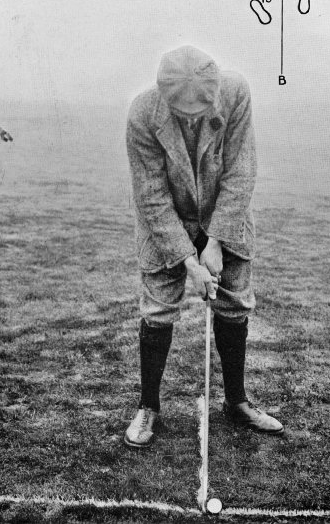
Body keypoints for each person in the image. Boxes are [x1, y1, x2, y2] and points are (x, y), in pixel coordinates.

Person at [124, 45, 283, 448]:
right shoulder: (142, 114)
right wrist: (189, 262)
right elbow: (151, 195)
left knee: (234, 303)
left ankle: (237, 402)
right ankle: (148, 407)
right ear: (166, 99)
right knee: (158, 307)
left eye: (201, 110)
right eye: (185, 113)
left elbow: (241, 171)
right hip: (167, 220)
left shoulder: (236, 93)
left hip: (224, 215)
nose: (194, 118)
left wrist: (215, 241)